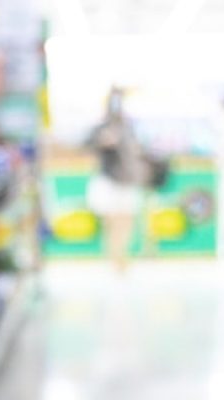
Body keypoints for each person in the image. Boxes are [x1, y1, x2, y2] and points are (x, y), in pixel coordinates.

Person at [87, 87, 150, 272]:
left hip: (127, 181)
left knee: (127, 221)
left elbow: (138, 152)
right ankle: (115, 259)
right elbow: (89, 143)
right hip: (110, 180)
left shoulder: (130, 127)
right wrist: (103, 140)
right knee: (112, 222)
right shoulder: (102, 127)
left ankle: (121, 256)